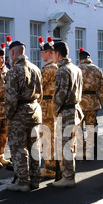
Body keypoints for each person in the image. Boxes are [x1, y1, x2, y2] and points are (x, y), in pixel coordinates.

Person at [4, 40, 43, 192]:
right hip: (34, 111)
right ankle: (35, 179)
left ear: (13, 53)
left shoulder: (14, 71)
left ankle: (22, 181)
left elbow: (11, 98)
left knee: (19, 148)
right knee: (34, 146)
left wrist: (9, 115)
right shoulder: (35, 68)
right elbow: (41, 93)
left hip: (19, 113)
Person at [51, 41, 84, 188]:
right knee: (71, 144)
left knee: (66, 145)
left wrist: (54, 110)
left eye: (53, 53)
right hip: (75, 109)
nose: (52, 56)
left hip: (66, 111)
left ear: (58, 54)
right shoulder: (76, 68)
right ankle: (68, 174)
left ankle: (69, 176)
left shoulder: (62, 71)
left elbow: (60, 94)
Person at [77, 49, 103, 159]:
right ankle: (90, 150)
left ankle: (79, 150)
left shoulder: (77, 69)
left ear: (80, 59)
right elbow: (102, 89)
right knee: (91, 127)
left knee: (78, 128)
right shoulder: (97, 70)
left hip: (79, 102)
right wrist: (100, 102)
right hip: (92, 101)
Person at [38, 36, 58, 179]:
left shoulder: (50, 69)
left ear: (50, 53)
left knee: (47, 137)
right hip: (52, 105)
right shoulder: (55, 67)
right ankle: (53, 166)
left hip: (47, 106)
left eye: (43, 52)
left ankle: (50, 168)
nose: (41, 54)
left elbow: (38, 87)